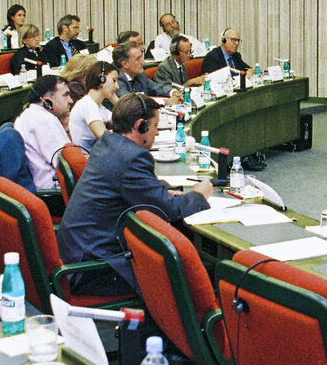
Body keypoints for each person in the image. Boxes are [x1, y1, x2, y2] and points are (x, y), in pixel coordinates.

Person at [58, 94, 212, 294]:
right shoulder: (132, 158)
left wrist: (163, 190)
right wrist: (200, 195)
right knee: (177, 275)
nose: (156, 133)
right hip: (92, 268)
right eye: (155, 127)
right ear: (141, 126)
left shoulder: (108, 143)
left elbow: (132, 185)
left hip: (77, 252)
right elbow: (171, 210)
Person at [14, 74, 73, 192]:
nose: (70, 100)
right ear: (47, 101)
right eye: (65, 95)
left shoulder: (31, 114)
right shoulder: (44, 121)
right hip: (55, 193)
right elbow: (69, 164)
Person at [68, 61, 118, 151]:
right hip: (87, 159)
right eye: (114, 80)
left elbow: (126, 120)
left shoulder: (100, 108)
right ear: (101, 79)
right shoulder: (87, 104)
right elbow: (104, 137)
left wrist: (114, 99)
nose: (117, 86)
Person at [114, 40, 181, 103]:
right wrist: (165, 102)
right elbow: (130, 103)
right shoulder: (116, 80)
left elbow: (157, 88)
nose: (143, 62)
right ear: (125, 64)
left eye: (141, 57)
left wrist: (173, 92)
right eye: (138, 59)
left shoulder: (140, 75)